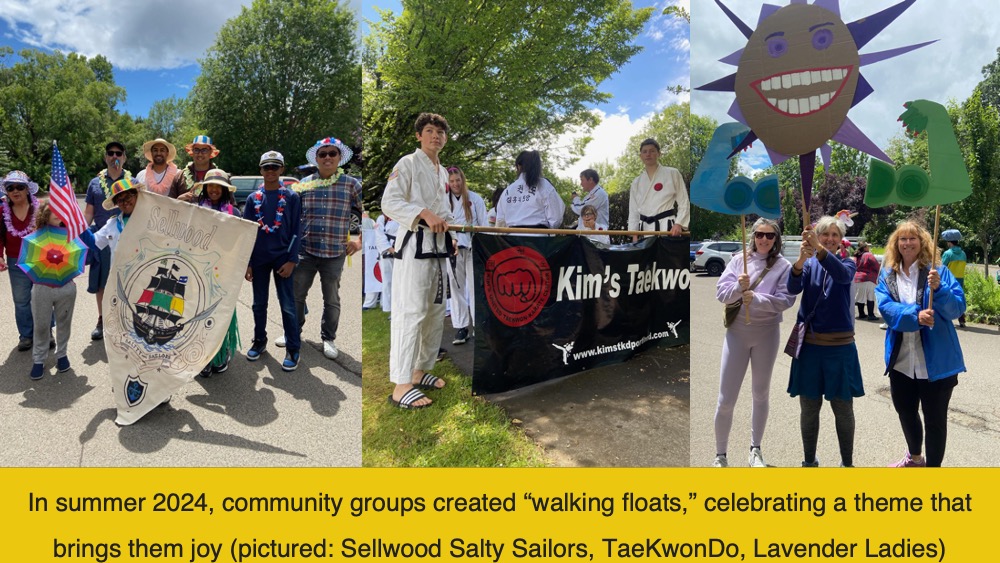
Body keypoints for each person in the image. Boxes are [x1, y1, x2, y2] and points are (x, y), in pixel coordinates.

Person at [877, 221, 966, 467]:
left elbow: (957, 308)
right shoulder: (888, 274)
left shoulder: (938, 272)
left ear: (922, 242)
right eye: (902, 239)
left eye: (912, 238)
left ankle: (933, 473)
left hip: (936, 363)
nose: (907, 243)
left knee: (935, 421)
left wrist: (941, 289)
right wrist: (915, 316)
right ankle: (915, 459)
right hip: (901, 362)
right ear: (896, 244)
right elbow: (885, 308)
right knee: (905, 412)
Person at [381, 112, 453, 409]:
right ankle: (401, 384)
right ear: (419, 136)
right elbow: (389, 202)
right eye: (430, 131)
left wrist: (452, 236)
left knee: (434, 311)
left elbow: (444, 212)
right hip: (413, 245)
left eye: (440, 132)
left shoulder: (443, 172)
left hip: (438, 247)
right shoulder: (408, 163)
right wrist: (422, 212)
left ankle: (419, 370)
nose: (436, 136)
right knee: (410, 311)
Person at [713, 218, 795, 468]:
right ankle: (720, 455)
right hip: (737, 333)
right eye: (760, 234)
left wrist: (756, 299)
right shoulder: (739, 260)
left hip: (766, 334)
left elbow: (786, 300)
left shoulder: (783, 265)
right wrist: (738, 287)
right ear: (753, 236)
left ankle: (755, 450)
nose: (764, 239)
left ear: (776, 239)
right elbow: (721, 293)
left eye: (770, 235)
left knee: (760, 393)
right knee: (726, 399)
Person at [786, 216, 862, 468]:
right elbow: (793, 287)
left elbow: (842, 276)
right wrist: (800, 260)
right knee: (809, 409)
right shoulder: (809, 264)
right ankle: (809, 461)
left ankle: (847, 464)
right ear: (818, 236)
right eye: (825, 234)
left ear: (841, 240)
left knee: (843, 409)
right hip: (809, 348)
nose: (830, 239)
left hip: (839, 349)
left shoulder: (848, 263)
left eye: (834, 235)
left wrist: (817, 248)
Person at [285, 137, 363, 361]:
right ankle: (293, 333)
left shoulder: (352, 184)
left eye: (332, 153)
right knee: (296, 296)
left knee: (331, 299)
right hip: (305, 250)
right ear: (316, 158)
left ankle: (328, 338)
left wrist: (359, 241)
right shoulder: (304, 184)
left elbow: (366, 213)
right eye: (323, 154)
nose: (327, 157)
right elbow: (289, 216)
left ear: (339, 157)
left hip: (335, 253)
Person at [243, 150, 303, 371]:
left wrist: (292, 260)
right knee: (259, 304)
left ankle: (293, 347)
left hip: (282, 259)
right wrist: (248, 262)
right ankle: (259, 340)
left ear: (281, 169)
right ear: (261, 170)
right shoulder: (253, 199)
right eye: (266, 167)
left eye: (274, 167)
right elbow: (248, 232)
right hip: (259, 259)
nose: (270, 171)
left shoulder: (291, 197)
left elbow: (297, 229)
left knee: (288, 305)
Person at [26, 202, 93, 380]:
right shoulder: (35, 237)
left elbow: (88, 250)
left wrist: (79, 225)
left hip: (66, 287)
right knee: (41, 325)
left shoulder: (71, 234)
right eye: (53, 211)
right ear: (44, 214)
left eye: (60, 211)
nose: (58, 214)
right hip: (42, 288)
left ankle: (62, 354)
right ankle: (39, 359)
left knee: (64, 322)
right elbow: (29, 262)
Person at [193, 169, 241, 376]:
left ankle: (220, 354)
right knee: (199, 312)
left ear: (225, 189)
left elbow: (241, 242)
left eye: (218, 186)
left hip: (224, 271)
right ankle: (201, 357)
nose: (214, 189)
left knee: (220, 313)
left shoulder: (234, 213)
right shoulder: (195, 210)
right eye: (210, 185)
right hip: (200, 270)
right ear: (205, 188)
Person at [84, 141, 131, 341]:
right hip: (105, 236)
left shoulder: (132, 181)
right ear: (106, 157)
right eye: (110, 153)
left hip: (131, 241)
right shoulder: (95, 183)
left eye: (118, 153)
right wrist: (80, 230)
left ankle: (129, 323)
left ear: (124, 157)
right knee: (103, 282)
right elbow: (89, 212)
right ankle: (103, 319)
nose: (114, 157)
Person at [446, 166, 488, 345]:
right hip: (452, 247)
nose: (455, 184)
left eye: (458, 180)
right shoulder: (443, 199)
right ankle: (461, 327)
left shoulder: (475, 198)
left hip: (472, 246)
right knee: (456, 287)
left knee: (475, 286)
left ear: (462, 180)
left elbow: (484, 224)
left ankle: (479, 325)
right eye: (452, 181)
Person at [0, 171, 41, 351]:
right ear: (7, 192)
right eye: (10, 188)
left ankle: (45, 333)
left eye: (20, 187)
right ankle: (26, 335)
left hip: (39, 258)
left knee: (42, 297)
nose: (15, 191)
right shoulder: (2, 211)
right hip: (15, 260)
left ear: (27, 189)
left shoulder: (39, 209)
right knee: (21, 299)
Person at [627, 138, 689, 240]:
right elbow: (633, 210)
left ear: (659, 154)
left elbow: (684, 201)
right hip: (644, 229)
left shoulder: (672, 173)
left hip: (667, 227)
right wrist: (634, 234)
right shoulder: (636, 182)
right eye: (645, 152)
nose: (648, 154)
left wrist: (679, 223)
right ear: (641, 156)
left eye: (652, 151)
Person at [495, 150, 564, 229]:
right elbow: (555, 217)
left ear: (518, 166)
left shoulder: (508, 191)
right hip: (539, 235)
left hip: (512, 235)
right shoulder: (544, 186)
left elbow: (500, 221)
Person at [170, 135, 220, 202]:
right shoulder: (179, 177)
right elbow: (168, 204)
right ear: (192, 152)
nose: (200, 154)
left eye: (204, 150)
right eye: (196, 150)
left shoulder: (220, 176)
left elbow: (230, 205)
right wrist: (178, 200)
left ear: (210, 152)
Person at [940, 235, 968, 328]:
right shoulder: (963, 253)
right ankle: (962, 320)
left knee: (946, 298)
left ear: (949, 242)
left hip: (949, 279)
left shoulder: (947, 254)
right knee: (959, 298)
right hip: (960, 279)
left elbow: (942, 267)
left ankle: (945, 319)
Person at [374, 212, 398, 314]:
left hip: (402, 251)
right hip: (387, 252)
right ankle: (389, 308)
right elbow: (379, 236)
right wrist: (391, 250)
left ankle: (399, 306)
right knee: (388, 281)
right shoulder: (382, 218)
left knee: (400, 281)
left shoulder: (401, 215)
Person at [853, 240, 881, 321]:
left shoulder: (856, 256)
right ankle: (871, 315)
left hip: (857, 278)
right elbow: (876, 265)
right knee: (870, 297)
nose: (869, 247)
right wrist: (878, 272)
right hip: (869, 278)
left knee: (860, 297)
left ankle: (861, 314)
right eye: (868, 246)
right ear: (865, 248)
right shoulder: (868, 255)